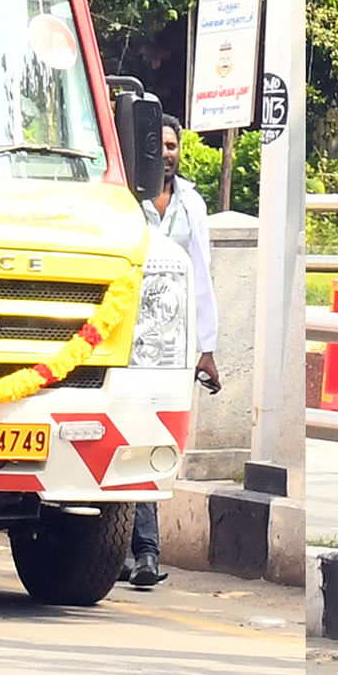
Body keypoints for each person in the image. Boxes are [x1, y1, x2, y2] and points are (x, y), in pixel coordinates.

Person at [127, 125, 223, 590]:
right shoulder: (125, 198)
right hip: (125, 339)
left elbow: (201, 275)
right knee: (132, 436)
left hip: (173, 345)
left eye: (171, 146)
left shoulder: (192, 204)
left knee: (154, 438)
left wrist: (208, 348)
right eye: (157, 145)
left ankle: (141, 548)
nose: (165, 154)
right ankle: (143, 549)